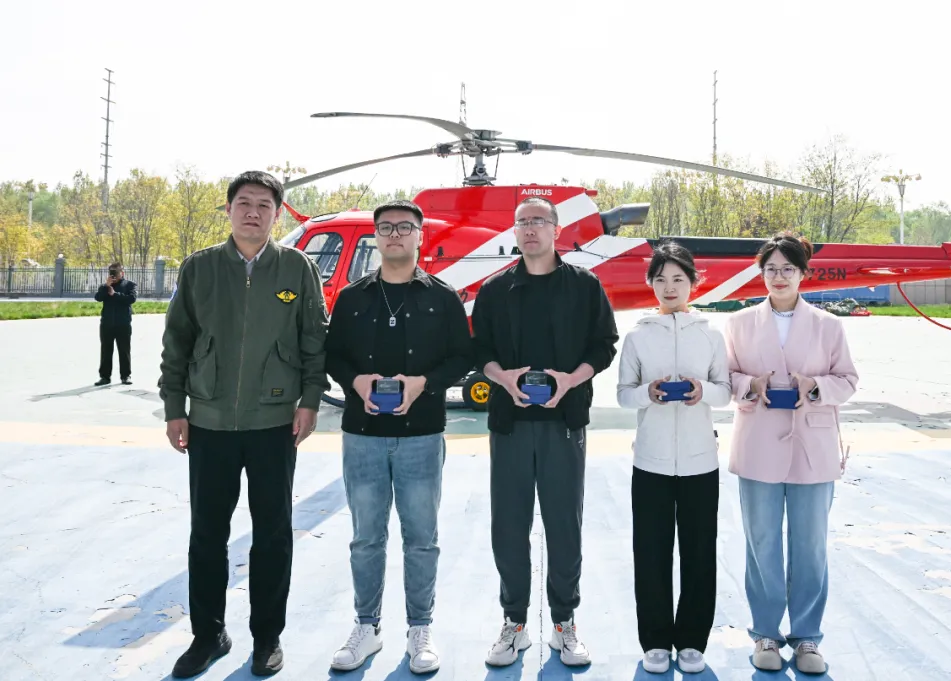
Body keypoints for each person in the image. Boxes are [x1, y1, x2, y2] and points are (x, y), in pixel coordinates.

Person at [159, 170, 330, 678]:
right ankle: (208, 635)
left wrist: (310, 400)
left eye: (264, 205)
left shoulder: (297, 268)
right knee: (207, 534)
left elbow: (314, 339)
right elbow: (177, 341)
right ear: (229, 209)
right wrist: (174, 407)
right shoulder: (200, 268)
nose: (253, 212)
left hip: (275, 423)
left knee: (273, 534)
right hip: (209, 422)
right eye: (244, 203)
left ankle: (267, 637)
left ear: (277, 213)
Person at [324, 199, 473, 674]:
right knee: (366, 538)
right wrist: (356, 381)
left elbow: (462, 357)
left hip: (421, 435)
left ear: (420, 236)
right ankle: (366, 627)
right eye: (386, 227)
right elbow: (332, 355)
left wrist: (423, 384)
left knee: (421, 539)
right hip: (363, 435)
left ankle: (419, 628)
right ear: (375, 236)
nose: (394, 235)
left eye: (405, 227)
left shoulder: (442, 298)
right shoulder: (352, 298)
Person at [471, 196, 619, 667]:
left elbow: (604, 345)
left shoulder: (584, 286)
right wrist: (503, 378)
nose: (530, 228)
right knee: (508, 526)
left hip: (564, 424)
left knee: (563, 526)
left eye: (539, 221)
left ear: (557, 229)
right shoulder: (495, 290)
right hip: (510, 426)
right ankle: (514, 622)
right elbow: (480, 350)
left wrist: (571, 381)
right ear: (514, 233)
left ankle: (563, 622)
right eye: (522, 222)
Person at [723, 231, 858, 674]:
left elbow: (848, 380)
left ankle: (807, 637)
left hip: (813, 446)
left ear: (802, 273)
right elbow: (726, 376)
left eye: (787, 269)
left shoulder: (828, 325)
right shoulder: (739, 323)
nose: (778, 277)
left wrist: (815, 386)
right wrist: (751, 385)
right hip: (758, 442)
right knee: (761, 542)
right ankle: (765, 633)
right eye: (770, 269)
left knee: (810, 545)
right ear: (760, 273)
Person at [615, 240, 732, 675]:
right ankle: (656, 641)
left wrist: (704, 391)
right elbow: (623, 394)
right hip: (651, 462)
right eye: (661, 279)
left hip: (701, 462)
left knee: (699, 552)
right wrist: (648, 393)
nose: (669, 287)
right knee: (651, 552)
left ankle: (692, 641)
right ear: (650, 283)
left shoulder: (711, 334)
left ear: (693, 283)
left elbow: (726, 391)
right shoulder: (638, 336)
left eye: (678, 279)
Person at [94, 262, 137, 386]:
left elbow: (131, 299)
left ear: (122, 273)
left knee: (124, 350)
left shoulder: (129, 285)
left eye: (116, 272)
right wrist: (106, 286)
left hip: (123, 323)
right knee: (106, 351)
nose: (114, 275)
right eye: (111, 272)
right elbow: (98, 298)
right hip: (107, 323)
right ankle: (105, 377)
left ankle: (126, 376)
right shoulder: (105, 286)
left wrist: (115, 294)